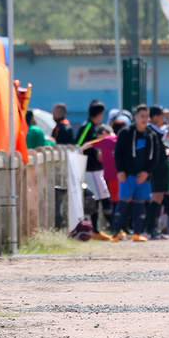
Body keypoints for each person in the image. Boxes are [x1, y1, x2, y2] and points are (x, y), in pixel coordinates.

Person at [113, 105, 161, 242]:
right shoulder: (125, 133)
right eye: (142, 116)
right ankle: (116, 232)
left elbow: (155, 156)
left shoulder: (151, 135)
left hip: (143, 177)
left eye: (147, 116)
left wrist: (147, 172)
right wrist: (120, 170)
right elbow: (118, 153)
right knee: (122, 205)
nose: (145, 119)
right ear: (135, 117)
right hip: (127, 175)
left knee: (140, 205)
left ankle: (137, 233)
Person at [75, 102, 111, 240]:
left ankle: (103, 228)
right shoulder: (88, 126)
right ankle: (96, 229)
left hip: (96, 168)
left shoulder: (93, 127)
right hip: (90, 169)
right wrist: (94, 151)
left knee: (102, 197)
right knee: (97, 198)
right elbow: (80, 144)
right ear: (100, 114)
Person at [147, 107, 169, 237]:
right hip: (155, 168)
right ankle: (150, 229)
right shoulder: (150, 129)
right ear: (155, 116)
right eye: (162, 116)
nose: (163, 118)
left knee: (159, 197)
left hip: (162, 167)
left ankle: (153, 228)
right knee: (156, 197)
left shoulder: (158, 130)